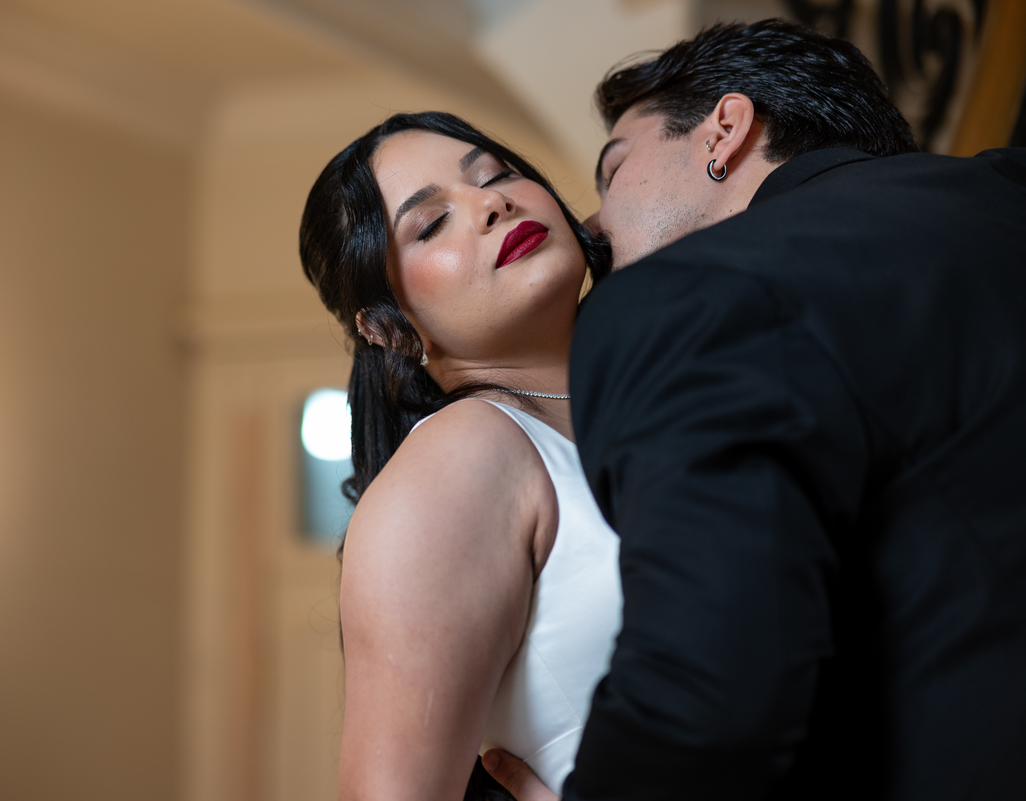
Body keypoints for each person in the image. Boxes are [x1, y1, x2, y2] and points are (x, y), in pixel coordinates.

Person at [479, 20, 1026, 801]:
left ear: (725, 132)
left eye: (614, 168)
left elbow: (705, 704)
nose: (594, 226)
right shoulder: (1006, 193)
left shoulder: (679, 300)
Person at [300, 111, 620, 801]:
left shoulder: (642, 403)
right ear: (389, 325)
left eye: (497, 175)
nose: (491, 203)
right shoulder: (459, 460)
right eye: (430, 223)